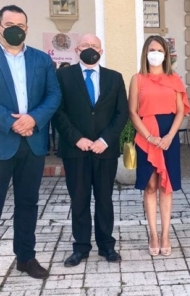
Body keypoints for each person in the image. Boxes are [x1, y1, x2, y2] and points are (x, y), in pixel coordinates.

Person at [53, 34, 128, 267]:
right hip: (76, 151)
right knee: (79, 200)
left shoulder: (114, 78)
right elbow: (58, 111)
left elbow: (121, 113)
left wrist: (104, 140)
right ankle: (81, 248)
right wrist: (77, 138)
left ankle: (107, 246)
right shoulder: (63, 76)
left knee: (105, 200)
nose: (90, 49)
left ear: (101, 51)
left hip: (104, 151)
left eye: (95, 46)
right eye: (86, 45)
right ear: (77, 49)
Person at [0, 5, 61, 279]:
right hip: (3, 140)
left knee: (28, 203)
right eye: (9, 23)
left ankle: (26, 257)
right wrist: (11, 121)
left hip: (33, 143)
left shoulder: (41, 59)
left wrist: (33, 119)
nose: (16, 28)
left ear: (27, 28)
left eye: (21, 25)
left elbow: (54, 95)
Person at [128, 35, 190, 257]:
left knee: (167, 186)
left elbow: (181, 110)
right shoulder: (137, 79)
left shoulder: (174, 79)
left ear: (166, 54)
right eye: (151, 49)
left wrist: (170, 136)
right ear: (146, 53)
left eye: (159, 50)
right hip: (146, 134)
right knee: (151, 185)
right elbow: (133, 111)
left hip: (168, 134)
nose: (155, 53)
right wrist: (148, 136)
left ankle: (165, 234)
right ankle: (153, 234)